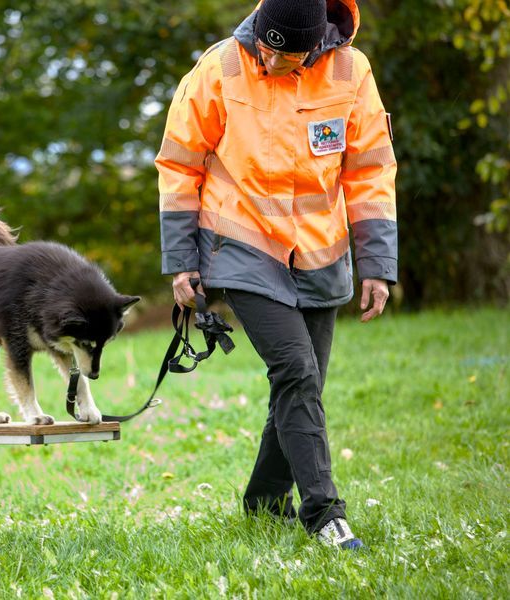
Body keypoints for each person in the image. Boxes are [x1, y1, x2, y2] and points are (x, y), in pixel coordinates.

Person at [155, 0, 397, 550]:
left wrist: (377, 264)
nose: (266, 55)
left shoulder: (351, 72)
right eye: (263, 42)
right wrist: (182, 261)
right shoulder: (220, 66)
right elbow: (178, 164)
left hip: (321, 253)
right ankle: (324, 513)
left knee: (302, 382)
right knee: (295, 370)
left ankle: (264, 503)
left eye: (280, 52)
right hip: (239, 245)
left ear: (312, 48)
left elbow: (370, 169)